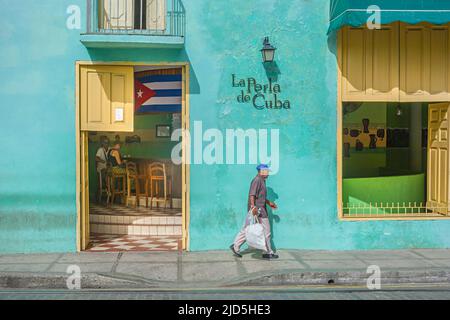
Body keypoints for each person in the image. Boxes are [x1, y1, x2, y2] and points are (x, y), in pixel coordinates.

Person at [230, 164, 279, 260]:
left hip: (259, 209)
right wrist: (253, 208)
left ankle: (235, 245)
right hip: (258, 210)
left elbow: (260, 196)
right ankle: (268, 252)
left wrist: (269, 203)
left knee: (248, 229)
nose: (268, 173)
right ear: (261, 171)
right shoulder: (257, 180)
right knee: (267, 231)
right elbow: (252, 195)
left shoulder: (262, 181)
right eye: (266, 171)